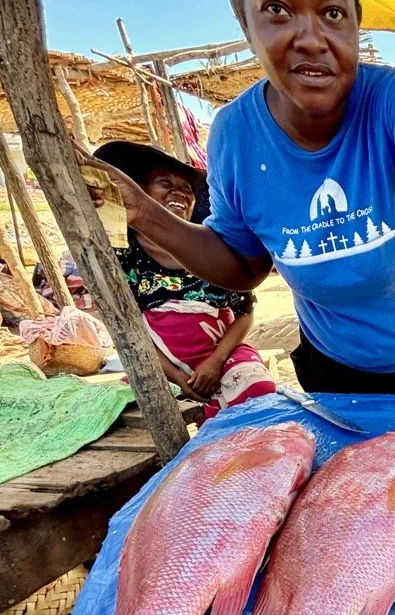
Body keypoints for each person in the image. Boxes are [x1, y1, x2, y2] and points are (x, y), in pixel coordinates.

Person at [79, 0, 395, 396]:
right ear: (245, 23)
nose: (311, 38)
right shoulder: (234, 134)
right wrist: (144, 214)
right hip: (332, 368)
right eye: (277, 9)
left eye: (332, 12)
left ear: (356, 24)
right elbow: (244, 264)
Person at [94, 140, 277, 419]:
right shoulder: (124, 258)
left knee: (259, 391)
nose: (178, 192)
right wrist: (178, 375)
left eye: (186, 188)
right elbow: (129, 333)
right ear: (140, 192)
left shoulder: (214, 251)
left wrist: (215, 363)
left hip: (222, 357)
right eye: (164, 183)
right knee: (135, 414)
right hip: (162, 365)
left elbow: (244, 315)